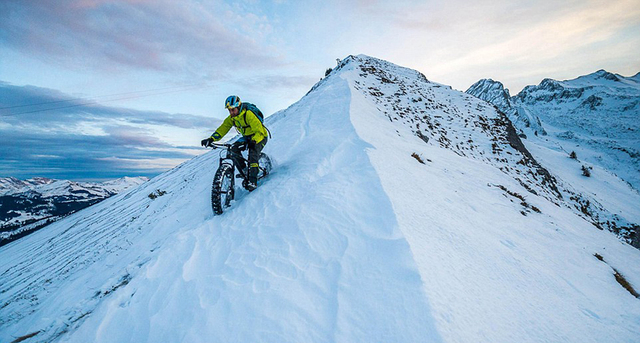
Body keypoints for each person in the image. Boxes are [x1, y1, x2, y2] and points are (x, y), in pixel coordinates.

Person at [201, 95, 268, 191]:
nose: (231, 112)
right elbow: (222, 129)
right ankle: (245, 171)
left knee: (253, 154)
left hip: (260, 136)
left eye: (233, 110)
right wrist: (211, 139)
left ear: (238, 107)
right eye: (229, 110)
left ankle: (253, 181)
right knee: (233, 149)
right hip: (246, 137)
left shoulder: (248, 114)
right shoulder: (232, 118)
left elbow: (259, 130)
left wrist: (254, 141)